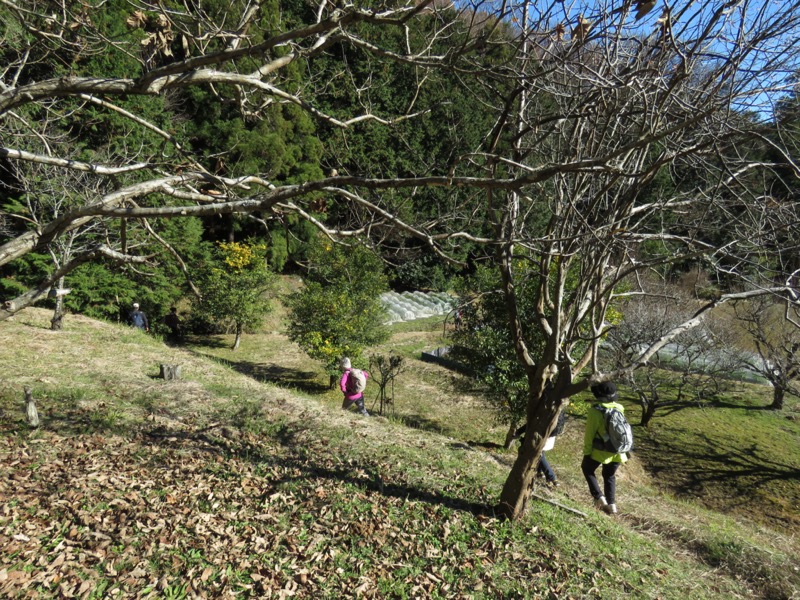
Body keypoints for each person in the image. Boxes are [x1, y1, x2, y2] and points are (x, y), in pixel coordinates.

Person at [582, 381, 628, 515]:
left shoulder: (595, 411)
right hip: (618, 450)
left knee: (587, 469)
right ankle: (612, 504)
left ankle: (599, 497)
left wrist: (587, 452)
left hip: (601, 450)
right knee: (609, 475)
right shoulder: (619, 407)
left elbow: (589, 434)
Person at [515, 408, 566, 487]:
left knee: (538, 453)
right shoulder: (558, 405)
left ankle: (552, 477)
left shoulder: (548, 406)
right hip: (551, 431)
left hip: (546, 432)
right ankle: (540, 472)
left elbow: (534, 422)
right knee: (540, 452)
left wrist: (519, 431)